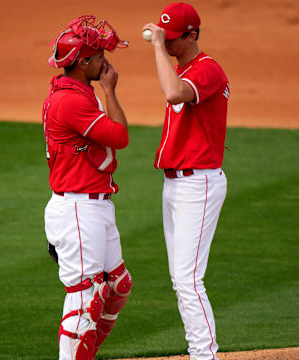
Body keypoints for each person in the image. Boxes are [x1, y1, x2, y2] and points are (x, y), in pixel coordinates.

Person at [143, 3, 229, 360]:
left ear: (192, 36)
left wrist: (158, 47)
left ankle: (204, 355)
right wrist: (164, 48)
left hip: (200, 184)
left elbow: (174, 92)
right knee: (181, 280)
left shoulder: (208, 70)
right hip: (175, 184)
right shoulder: (182, 68)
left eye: (175, 39)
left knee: (190, 279)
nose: (169, 44)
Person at [42, 15, 132, 360]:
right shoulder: (72, 101)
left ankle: (86, 353)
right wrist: (110, 90)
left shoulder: (74, 91)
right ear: (83, 63)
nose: (105, 61)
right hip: (79, 209)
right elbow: (120, 136)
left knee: (116, 286)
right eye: (98, 56)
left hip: (93, 205)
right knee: (84, 298)